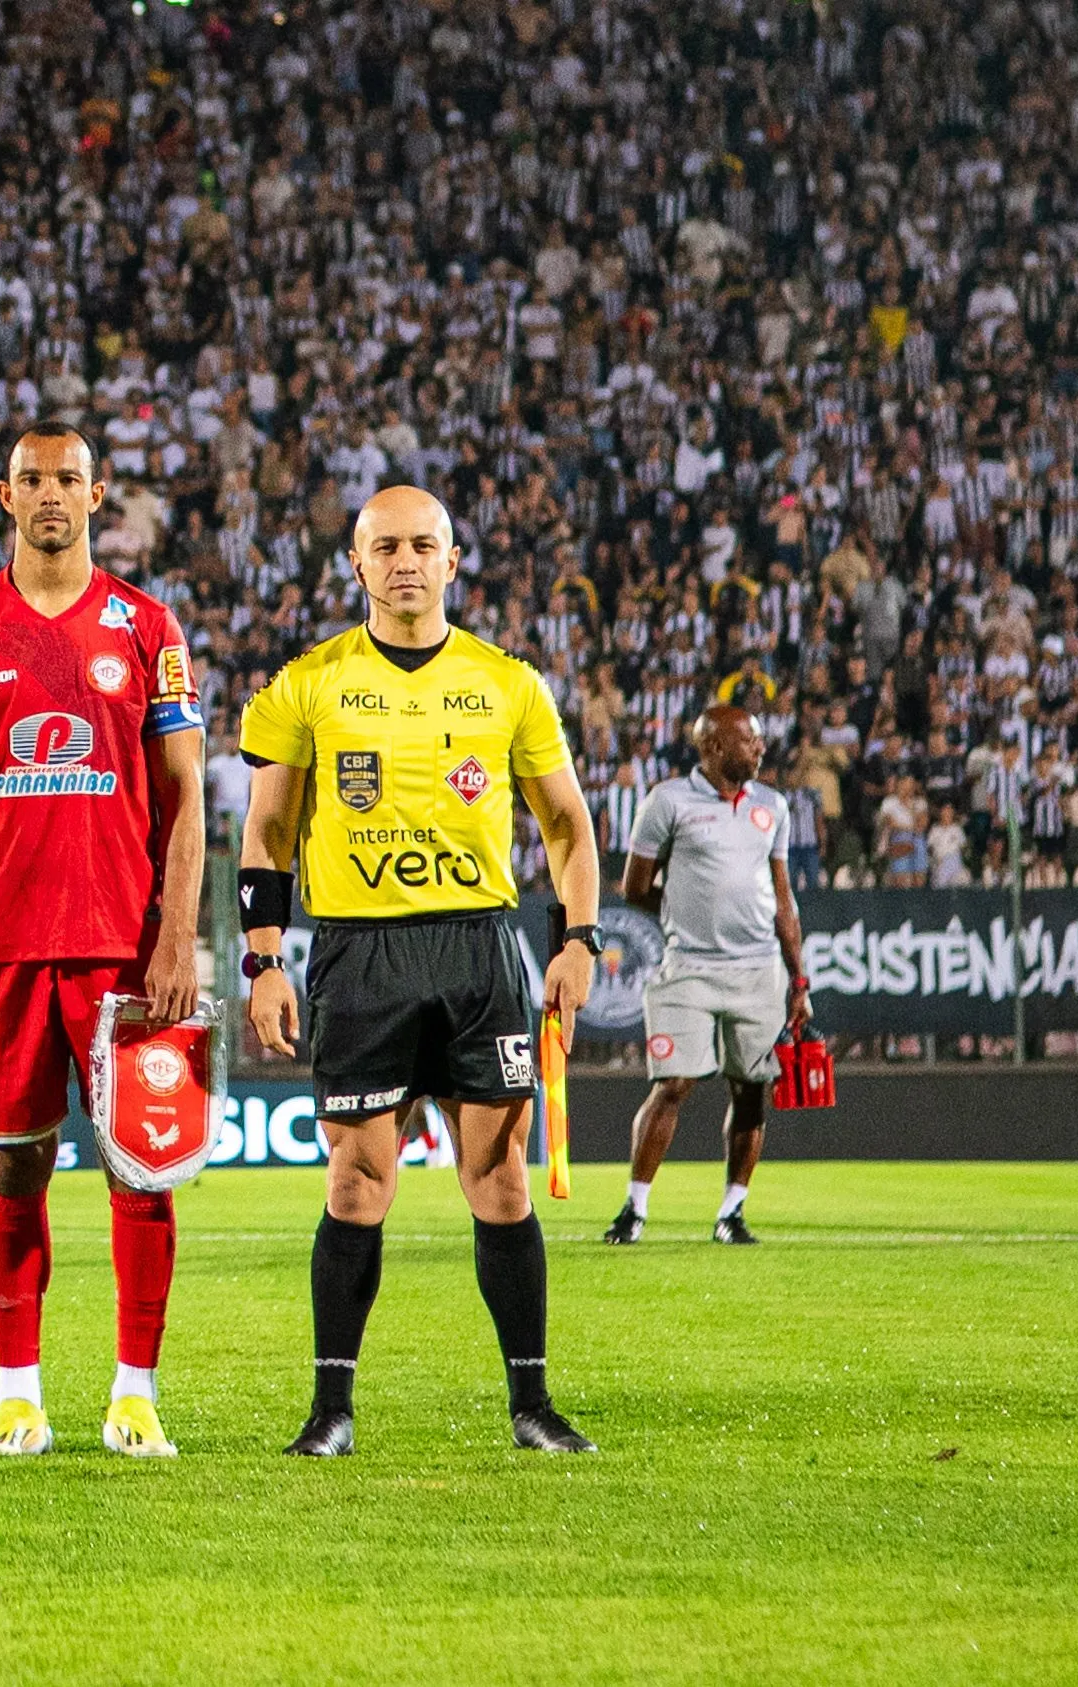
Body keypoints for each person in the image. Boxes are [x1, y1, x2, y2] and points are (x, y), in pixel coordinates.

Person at [238, 485, 604, 1458]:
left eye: (422, 544)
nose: (404, 560)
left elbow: (568, 825)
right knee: (359, 1181)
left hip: (478, 948)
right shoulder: (305, 685)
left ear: (453, 561)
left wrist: (580, 938)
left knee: (500, 1177)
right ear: (356, 565)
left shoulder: (508, 683)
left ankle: (532, 1405)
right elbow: (268, 832)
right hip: (359, 951)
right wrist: (264, 959)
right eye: (384, 546)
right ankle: (331, 1410)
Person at [0, 423, 205, 1459]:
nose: (49, 494)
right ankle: (18, 1396)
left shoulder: (146, 625)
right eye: (30, 478)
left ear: (96, 491)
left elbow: (185, 794)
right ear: (2, 494)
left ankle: (134, 1395)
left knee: (142, 1167)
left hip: (124, 946)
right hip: (2, 943)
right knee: (13, 1168)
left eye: (66, 478)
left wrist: (177, 938)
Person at [608, 706, 813, 1247]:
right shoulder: (668, 801)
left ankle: (732, 1213)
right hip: (688, 969)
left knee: (751, 1091)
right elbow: (634, 887)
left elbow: (783, 897)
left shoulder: (773, 805)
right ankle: (635, 1208)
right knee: (672, 1084)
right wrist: (683, 912)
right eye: (750, 740)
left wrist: (800, 980)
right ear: (715, 747)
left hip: (758, 971)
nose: (761, 748)